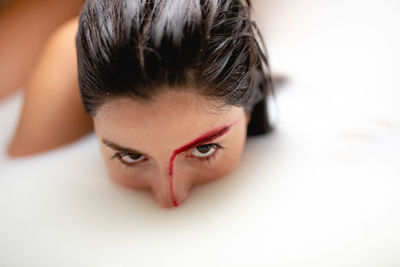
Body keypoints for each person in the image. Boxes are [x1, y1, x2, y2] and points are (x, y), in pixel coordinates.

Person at [8, 0, 275, 208]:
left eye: (205, 149)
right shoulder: (67, 69)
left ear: (249, 105)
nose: (169, 198)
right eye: (131, 156)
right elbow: (20, 182)